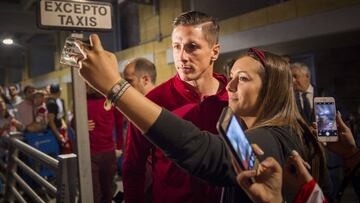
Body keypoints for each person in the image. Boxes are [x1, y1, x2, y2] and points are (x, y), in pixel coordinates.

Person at [74, 34, 331, 202]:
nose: (229, 86)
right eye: (230, 76)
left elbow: (202, 151)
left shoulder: (268, 137)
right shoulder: (294, 127)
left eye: (241, 79)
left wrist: (115, 87)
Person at [122, 11, 227, 203]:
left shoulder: (234, 97)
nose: (181, 56)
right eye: (176, 47)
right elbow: (133, 167)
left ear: (215, 51)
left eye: (192, 47)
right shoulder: (151, 101)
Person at [122, 57, 157, 202]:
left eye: (129, 82)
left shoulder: (141, 111)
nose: (125, 88)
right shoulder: (135, 108)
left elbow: (132, 166)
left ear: (145, 80)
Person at [85, 84, 123, 203]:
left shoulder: (110, 99)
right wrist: (79, 124)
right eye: (87, 84)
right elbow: (73, 121)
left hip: (108, 152)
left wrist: (120, 147)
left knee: (107, 192)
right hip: (89, 154)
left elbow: (119, 123)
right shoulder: (82, 100)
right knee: (94, 194)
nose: (90, 86)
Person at [46, 84, 71, 154]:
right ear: (59, 91)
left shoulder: (58, 101)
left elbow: (60, 117)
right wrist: (58, 135)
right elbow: (51, 121)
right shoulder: (51, 103)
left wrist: (64, 127)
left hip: (60, 129)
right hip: (54, 132)